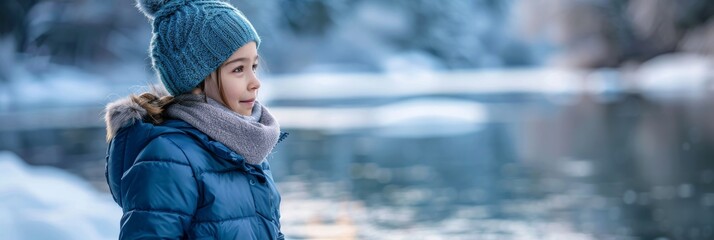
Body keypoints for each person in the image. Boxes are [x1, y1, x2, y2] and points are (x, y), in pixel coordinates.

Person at [103, 0, 287, 239]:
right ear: (196, 80)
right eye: (238, 69)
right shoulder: (169, 156)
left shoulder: (247, 146)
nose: (255, 82)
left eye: (254, 66)